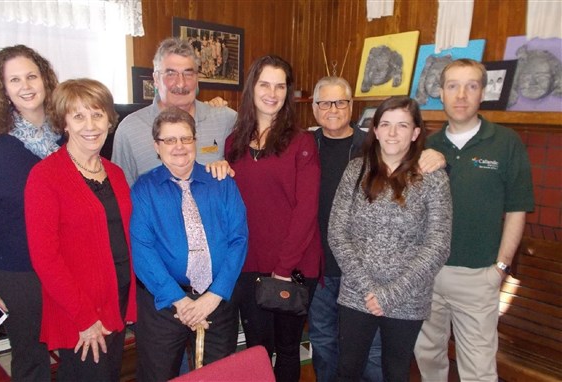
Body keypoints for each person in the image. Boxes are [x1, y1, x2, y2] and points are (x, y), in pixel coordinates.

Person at [309, 77, 448, 382]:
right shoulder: (356, 170)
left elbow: (438, 244)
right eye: (386, 124)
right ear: (374, 129)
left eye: (402, 125)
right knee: (347, 368)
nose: (393, 132)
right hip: (357, 293)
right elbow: (338, 233)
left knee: (394, 372)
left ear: (415, 132)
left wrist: (390, 294)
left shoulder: (432, 178)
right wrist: (369, 289)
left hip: (407, 298)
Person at [414, 59, 535, 381]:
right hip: (429, 275)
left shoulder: (506, 143)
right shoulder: (426, 144)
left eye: (471, 85)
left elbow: (517, 209)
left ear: (483, 92)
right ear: (441, 93)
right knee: (428, 359)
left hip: (478, 277)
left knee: (479, 370)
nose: (461, 94)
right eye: (453, 86)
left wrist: (501, 268)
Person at [24, 79, 137, 381]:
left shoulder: (114, 172)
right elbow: (45, 259)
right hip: (80, 314)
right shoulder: (45, 176)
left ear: (109, 120)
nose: (91, 125)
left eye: (98, 114)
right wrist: (85, 317)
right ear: (64, 123)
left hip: (117, 301)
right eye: (79, 116)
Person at [0, 44, 59, 381]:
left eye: (32, 75)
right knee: (31, 356)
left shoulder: (67, 136)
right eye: (14, 79)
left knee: (76, 347)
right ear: (2, 90)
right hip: (17, 275)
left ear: (45, 80)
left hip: (64, 264)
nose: (26, 85)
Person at [130, 106, 248, 381]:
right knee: (158, 375)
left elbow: (239, 239)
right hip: (165, 305)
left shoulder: (221, 182)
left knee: (216, 376)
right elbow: (142, 250)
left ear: (196, 140)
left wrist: (213, 296)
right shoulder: (144, 189)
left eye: (185, 138)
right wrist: (181, 303)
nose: (179, 147)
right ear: (156, 146)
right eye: (169, 140)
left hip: (218, 301)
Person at [225, 55, 322, 382]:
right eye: (265, 83)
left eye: (280, 86)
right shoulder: (233, 142)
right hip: (249, 264)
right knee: (257, 350)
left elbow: (306, 211)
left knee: (288, 347)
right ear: (252, 87)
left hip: (292, 268)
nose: (272, 92)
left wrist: (283, 268)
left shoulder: (301, 142)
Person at [112, 37, 236, 186]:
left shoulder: (224, 120)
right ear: (156, 79)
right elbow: (120, 193)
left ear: (197, 78)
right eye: (171, 73)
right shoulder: (129, 130)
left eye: (188, 73)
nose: (181, 83)